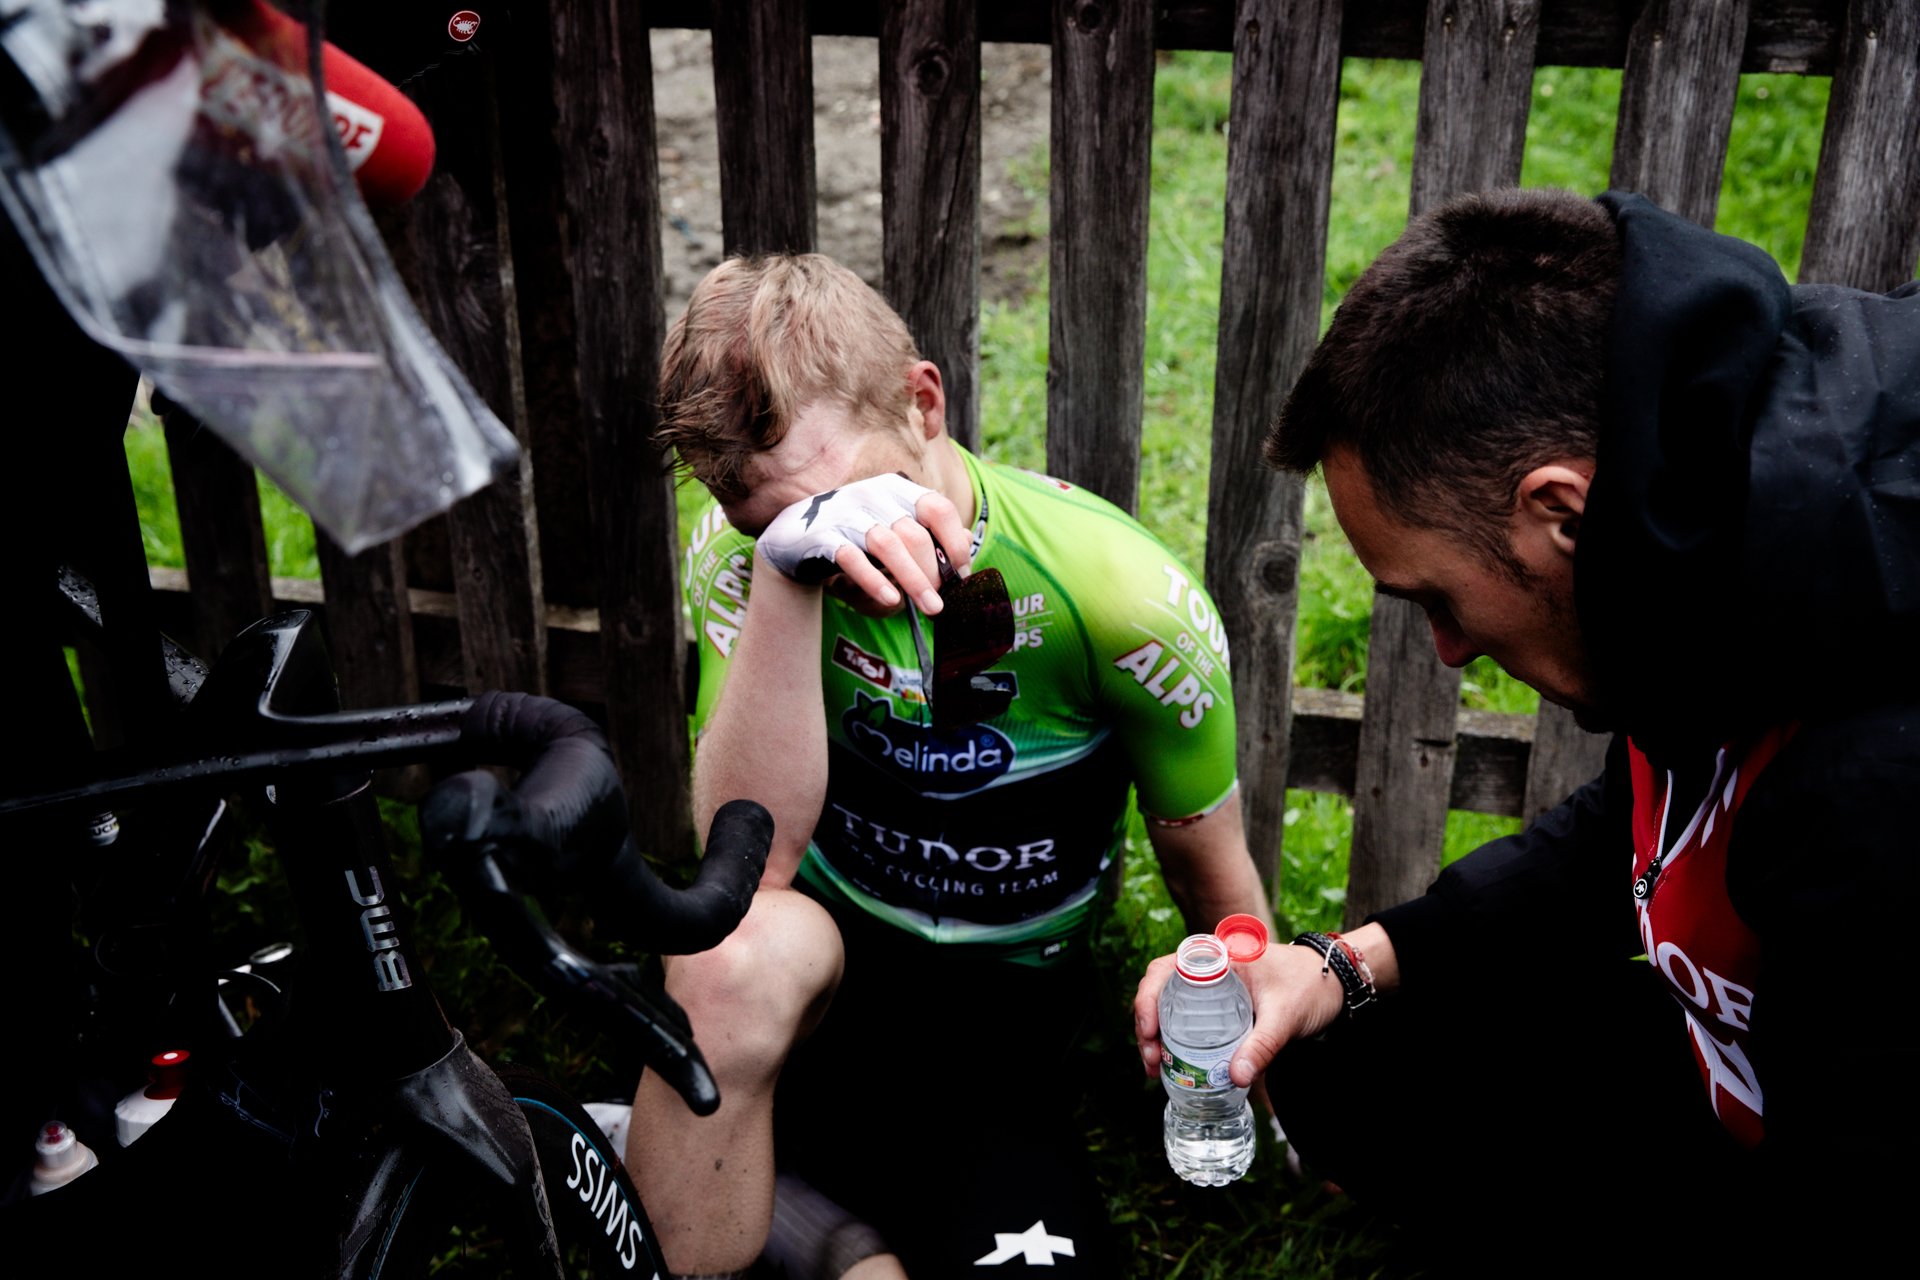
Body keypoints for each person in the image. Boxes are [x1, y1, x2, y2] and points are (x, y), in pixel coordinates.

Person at [1132, 187, 1920, 1272]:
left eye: (1439, 599)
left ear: (1562, 512)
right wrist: (1340, 965)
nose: (1448, 651)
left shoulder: (1874, 778)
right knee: (1342, 1061)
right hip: (1745, 1058)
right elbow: (1629, 828)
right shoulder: (1694, 529)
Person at [631, 254, 1270, 1280]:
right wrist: (784, 579)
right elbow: (750, 874)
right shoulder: (744, 554)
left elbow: (1212, 867)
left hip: (1002, 1010)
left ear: (924, 402)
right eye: (779, 528)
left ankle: (802, 1215)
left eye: (838, 502)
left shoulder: (1115, 589)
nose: (836, 545)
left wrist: (1281, 1089)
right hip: (826, 976)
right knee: (727, 955)